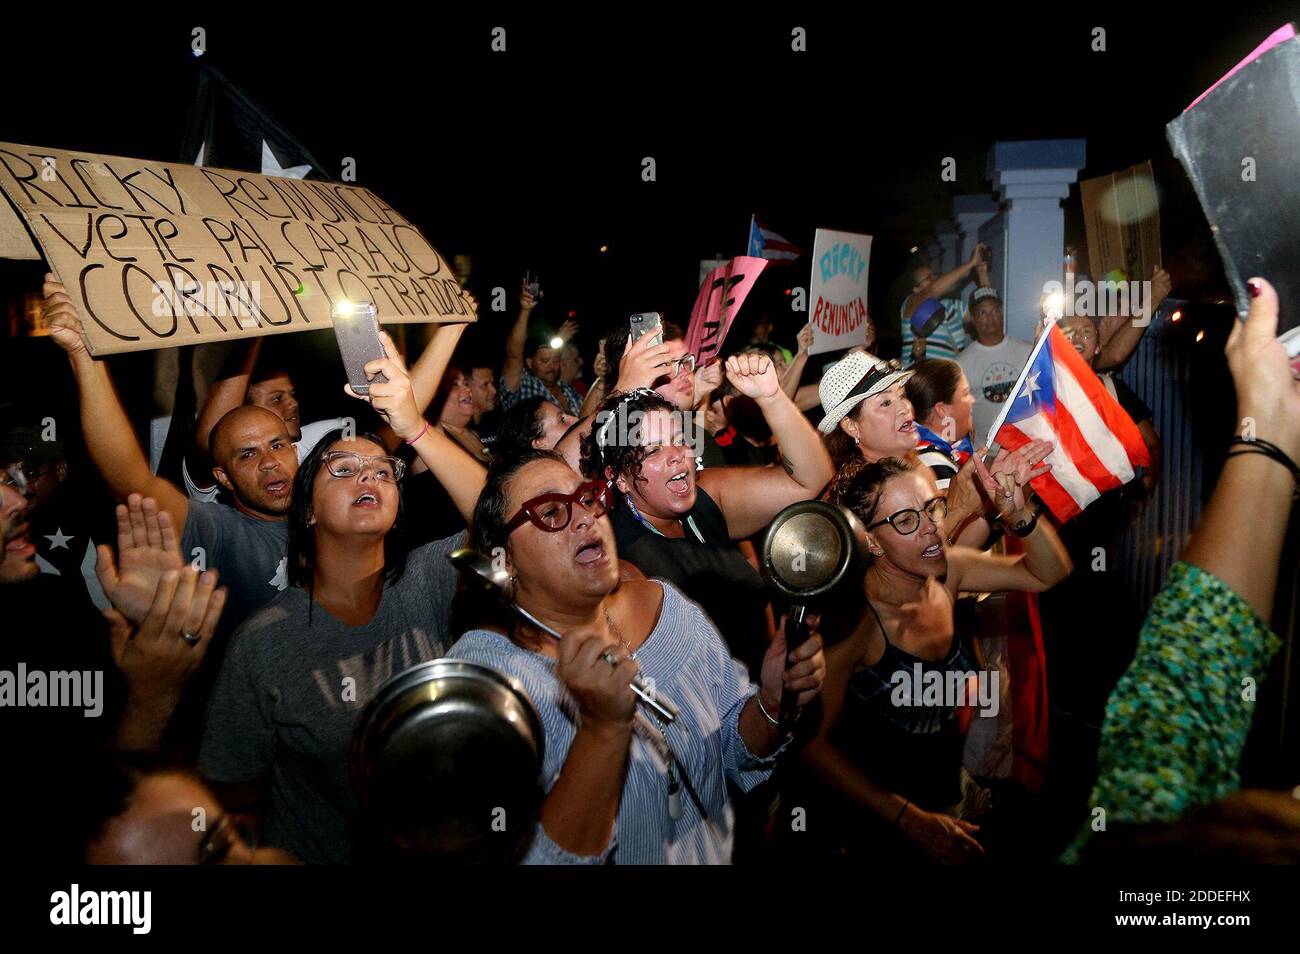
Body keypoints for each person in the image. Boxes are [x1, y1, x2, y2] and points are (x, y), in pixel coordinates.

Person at [446, 450, 827, 863]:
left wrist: (770, 700)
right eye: (552, 511)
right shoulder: (487, 681)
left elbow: (733, 750)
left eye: (588, 498)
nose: (584, 516)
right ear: (505, 561)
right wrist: (601, 729)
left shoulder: (666, 606)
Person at [199, 336, 487, 865]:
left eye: (383, 472)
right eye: (343, 469)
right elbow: (233, 796)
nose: (369, 476)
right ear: (307, 508)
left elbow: (505, 526)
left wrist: (414, 429)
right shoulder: (264, 642)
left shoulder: (427, 579)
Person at [1063, 277, 1300, 863]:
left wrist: (1272, 429)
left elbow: (1176, 710)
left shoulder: (1142, 845)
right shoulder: (1064, 389)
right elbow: (1172, 712)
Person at [792, 455, 1071, 864]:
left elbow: (1049, 574)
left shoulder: (948, 574)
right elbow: (810, 745)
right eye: (906, 521)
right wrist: (910, 819)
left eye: (932, 508)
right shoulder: (857, 622)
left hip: (950, 797)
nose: (932, 530)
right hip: (877, 826)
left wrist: (1019, 513)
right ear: (870, 540)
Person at [581, 353, 834, 672]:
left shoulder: (707, 495)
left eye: (678, 440)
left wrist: (772, 398)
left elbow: (812, 479)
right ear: (619, 477)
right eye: (653, 450)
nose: (676, 457)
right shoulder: (621, 561)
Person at [957, 285, 1032, 442]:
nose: (989, 318)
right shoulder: (960, 364)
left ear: (1002, 313)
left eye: (994, 311)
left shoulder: (1028, 352)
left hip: (1023, 447)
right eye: (982, 313)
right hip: (982, 452)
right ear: (972, 317)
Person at [900, 243, 990, 367]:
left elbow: (986, 310)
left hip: (947, 380)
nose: (935, 279)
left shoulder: (951, 306)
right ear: (916, 289)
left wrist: (982, 274)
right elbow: (932, 290)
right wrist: (971, 263)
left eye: (934, 275)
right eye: (928, 278)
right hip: (917, 380)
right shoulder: (910, 305)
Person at [500, 281, 581, 414]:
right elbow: (513, 353)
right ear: (529, 362)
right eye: (545, 361)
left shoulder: (567, 389)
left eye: (556, 360)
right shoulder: (523, 386)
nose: (552, 366)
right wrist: (525, 310)